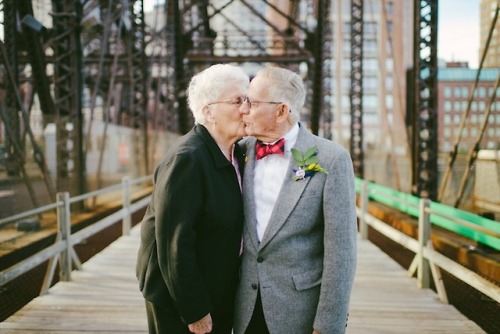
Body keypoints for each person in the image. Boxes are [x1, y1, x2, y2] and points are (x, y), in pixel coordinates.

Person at [233, 66, 358, 334]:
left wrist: (328, 325)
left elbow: (341, 253)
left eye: (252, 103)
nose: (244, 110)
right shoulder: (239, 153)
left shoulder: (331, 159)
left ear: (281, 111)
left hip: (299, 310)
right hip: (244, 308)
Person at [136, 64, 249, 334]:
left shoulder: (236, 154)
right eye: (237, 100)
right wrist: (194, 310)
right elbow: (174, 244)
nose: (247, 108)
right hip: (179, 300)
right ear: (208, 111)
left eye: (248, 100)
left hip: (215, 288)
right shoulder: (187, 160)